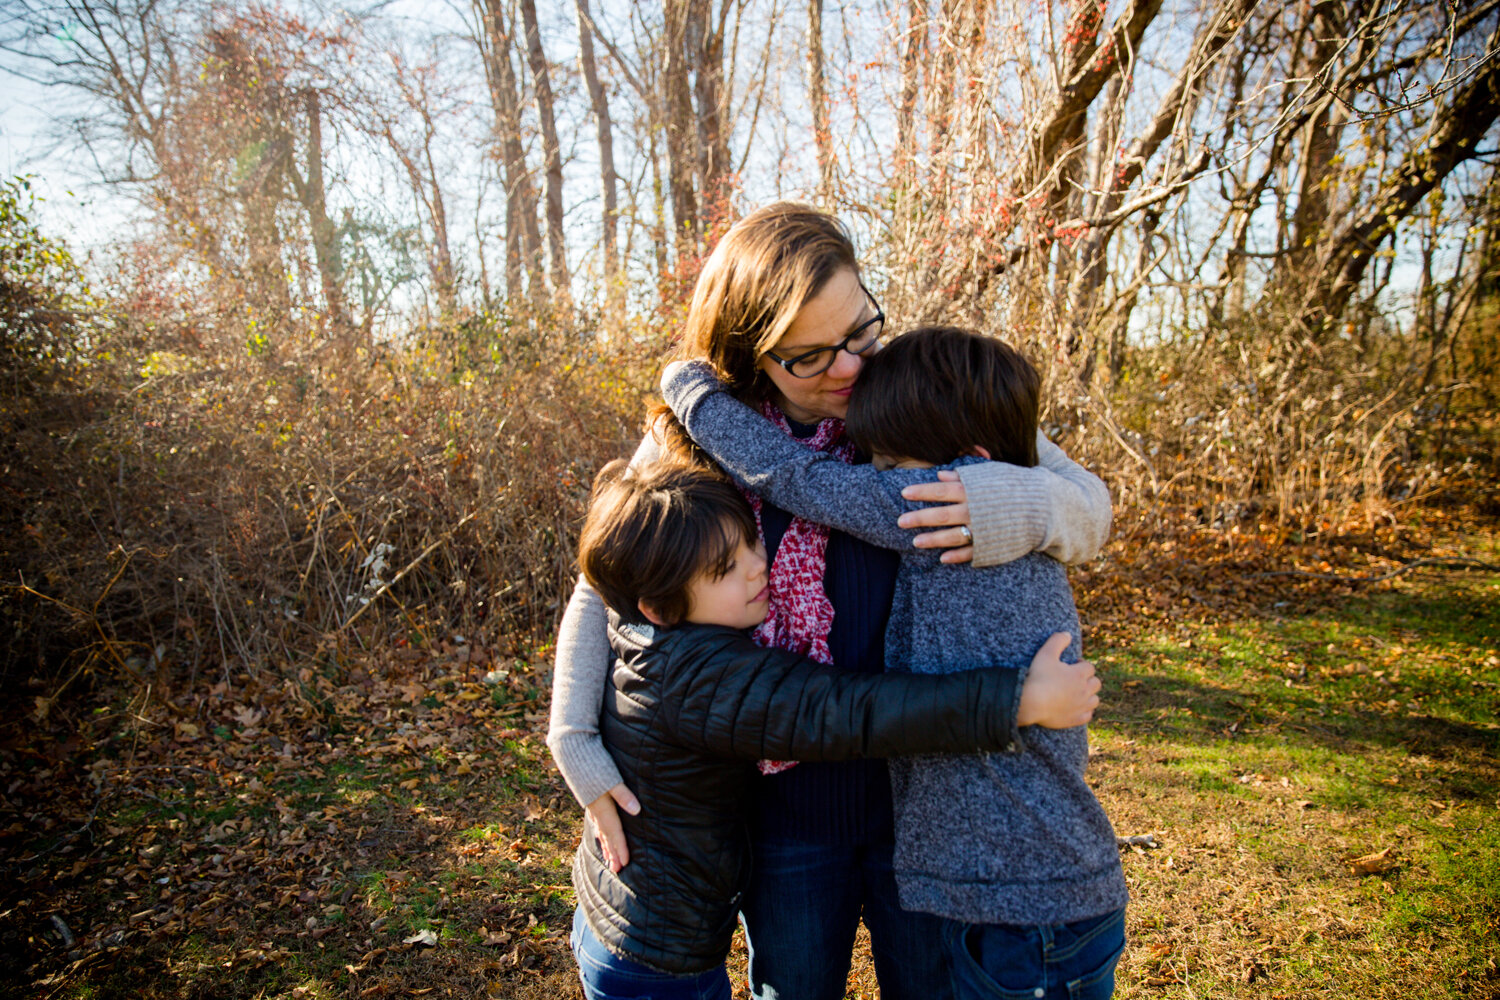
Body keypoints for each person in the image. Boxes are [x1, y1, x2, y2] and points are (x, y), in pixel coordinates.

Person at [548, 202, 1112, 1000]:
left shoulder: (915, 389)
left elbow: (1085, 500)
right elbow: (601, 582)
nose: (850, 367)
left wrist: (1020, 506)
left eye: (859, 330)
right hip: (786, 809)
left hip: (926, 802)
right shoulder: (703, 435)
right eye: (809, 356)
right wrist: (572, 734)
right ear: (751, 358)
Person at [661, 326, 1127, 999]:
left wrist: (692, 392)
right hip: (1039, 882)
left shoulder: (936, 499)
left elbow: (798, 476)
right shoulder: (985, 480)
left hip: (1020, 904)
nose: (877, 478)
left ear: (967, 457)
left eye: (889, 464)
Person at [566, 458, 1101, 1000]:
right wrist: (1016, 700)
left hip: (623, 919)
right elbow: (852, 710)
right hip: (657, 960)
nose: (759, 567)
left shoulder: (640, 631)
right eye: (725, 569)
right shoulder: (705, 681)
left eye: (752, 543)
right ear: (658, 606)